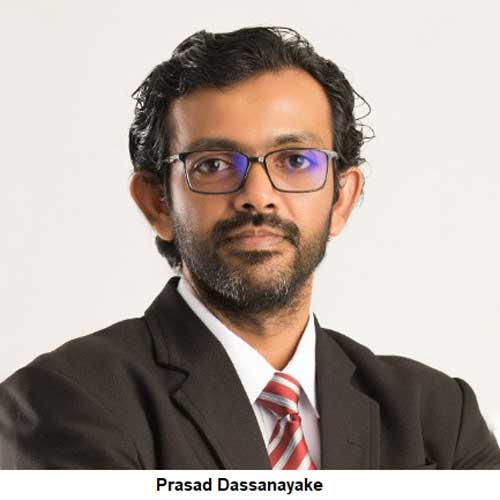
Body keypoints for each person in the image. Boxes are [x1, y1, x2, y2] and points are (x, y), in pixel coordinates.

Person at [0, 26, 499, 470]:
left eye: (295, 160)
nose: (258, 196)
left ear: (342, 197)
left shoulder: (438, 418)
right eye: (213, 164)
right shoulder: (64, 400)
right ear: (157, 202)